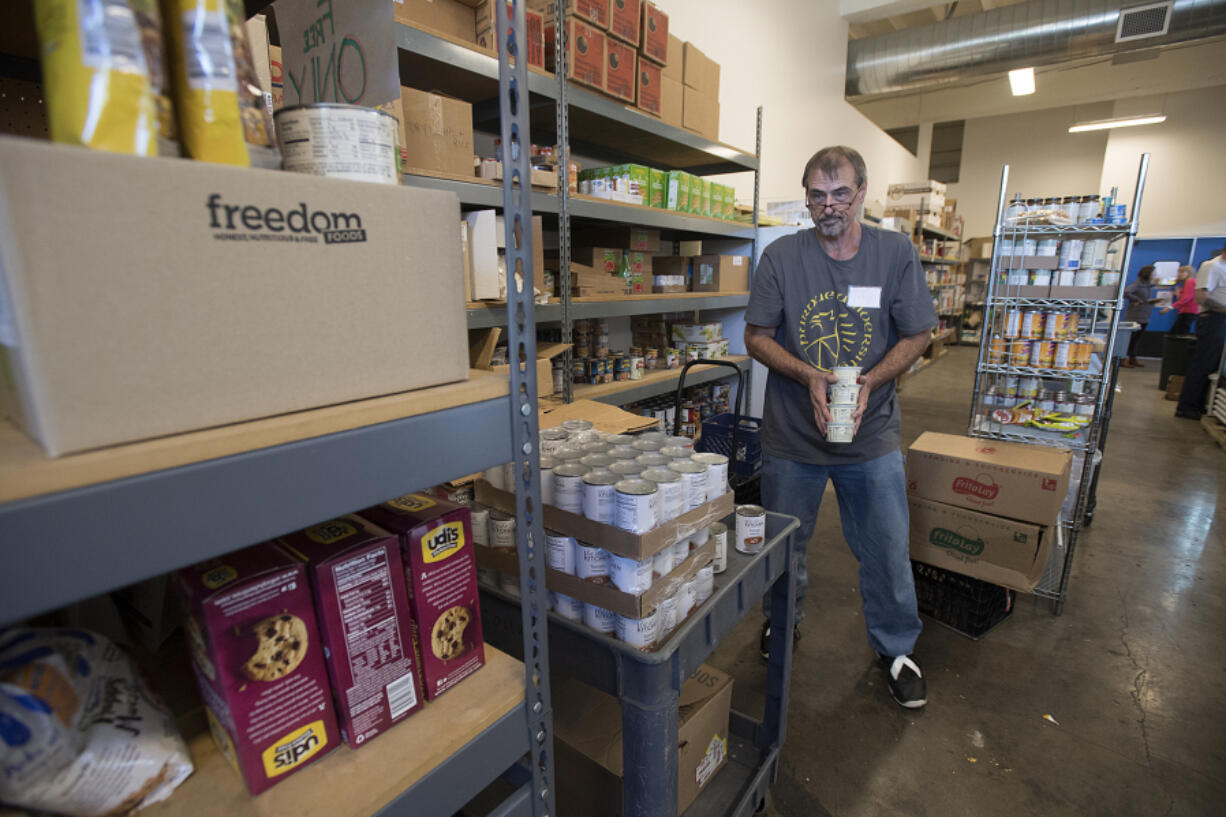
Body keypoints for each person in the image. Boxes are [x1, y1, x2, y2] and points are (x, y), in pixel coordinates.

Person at [744, 145, 937, 710]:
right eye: (817, 195)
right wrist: (808, 374)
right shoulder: (781, 256)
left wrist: (872, 381)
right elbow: (757, 336)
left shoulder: (895, 252)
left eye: (840, 194)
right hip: (793, 437)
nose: (828, 206)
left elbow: (918, 333)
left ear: (861, 193)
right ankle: (782, 623)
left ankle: (897, 648)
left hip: (870, 434)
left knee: (884, 546)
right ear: (807, 197)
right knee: (786, 546)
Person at [1176, 252, 1226, 419]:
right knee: (1204, 363)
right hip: (1214, 319)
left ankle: (1199, 405)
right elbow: (1201, 297)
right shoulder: (1212, 266)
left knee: (1213, 366)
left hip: (1219, 320)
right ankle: (1187, 406)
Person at [1122, 265, 1158, 367]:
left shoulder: (1148, 285)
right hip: (1135, 315)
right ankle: (1122, 358)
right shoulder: (1137, 284)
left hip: (1145, 315)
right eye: (1154, 273)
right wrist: (1137, 299)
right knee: (1130, 338)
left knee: (1137, 338)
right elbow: (1126, 292)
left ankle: (1133, 358)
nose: (1155, 275)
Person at [1159, 264, 1199, 336]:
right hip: (1190, 311)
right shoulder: (1192, 282)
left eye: (1182, 272)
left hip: (1188, 311)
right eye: (1179, 272)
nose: (1179, 274)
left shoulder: (1189, 282)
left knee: (1179, 332)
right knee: (1177, 331)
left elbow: (1187, 298)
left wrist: (1170, 307)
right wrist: (1178, 294)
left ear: (1189, 273)